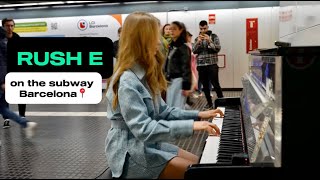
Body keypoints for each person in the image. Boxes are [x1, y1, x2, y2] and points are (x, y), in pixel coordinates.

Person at [105, 11, 224, 179]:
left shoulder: (145, 74)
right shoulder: (127, 81)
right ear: (141, 40)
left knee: (200, 163)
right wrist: (193, 126)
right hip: (130, 153)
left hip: (148, 145)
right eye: (155, 35)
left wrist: (200, 115)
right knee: (199, 173)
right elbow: (143, 129)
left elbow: (165, 111)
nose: (159, 41)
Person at [0, 27, 37, 139]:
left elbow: (1, 65)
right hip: (5, 80)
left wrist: (2, 81)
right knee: (3, 108)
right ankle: (26, 123)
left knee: (3, 108)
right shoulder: (6, 45)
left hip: (1, 81)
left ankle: (25, 123)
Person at [193, 20, 224, 110]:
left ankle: (222, 102)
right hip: (201, 65)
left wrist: (209, 41)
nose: (203, 30)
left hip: (212, 64)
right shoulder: (197, 38)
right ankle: (209, 103)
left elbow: (217, 48)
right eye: (201, 28)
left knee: (215, 83)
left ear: (208, 27)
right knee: (205, 85)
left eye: (204, 28)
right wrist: (198, 42)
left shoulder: (214, 36)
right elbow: (194, 51)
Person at [1, 18, 26, 128]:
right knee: (5, 95)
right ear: (3, 26)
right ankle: (6, 118)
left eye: (11, 25)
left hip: (17, 70)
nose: (9, 28)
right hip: (4, 71)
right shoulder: (1, 38)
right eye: (7, 26)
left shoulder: (17, 38)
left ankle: (22, 116)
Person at [165, 21, 192, 109]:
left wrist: (186, 86)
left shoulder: (183, 47)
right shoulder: (171, 46)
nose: (171, 31)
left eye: (174, 29)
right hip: (170, 81)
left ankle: (193, 118)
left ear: (181, 30)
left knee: (177, 106)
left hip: (179, 81)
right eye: (170, 29)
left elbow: (186, 67)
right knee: (171, 105)